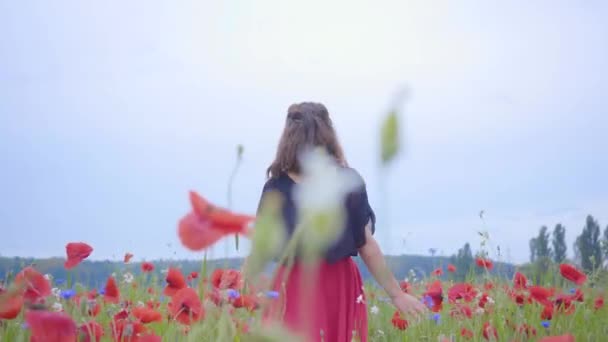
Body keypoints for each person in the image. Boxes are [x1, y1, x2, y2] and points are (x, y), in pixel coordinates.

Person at [256, 102, 426, 342]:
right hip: (328, 284)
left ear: (288, 138)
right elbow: (366, 245)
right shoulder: (346, 181)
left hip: (301, 283)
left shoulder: (276, 187)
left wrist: (246, 291)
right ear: (327, 135)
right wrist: (396, 294)